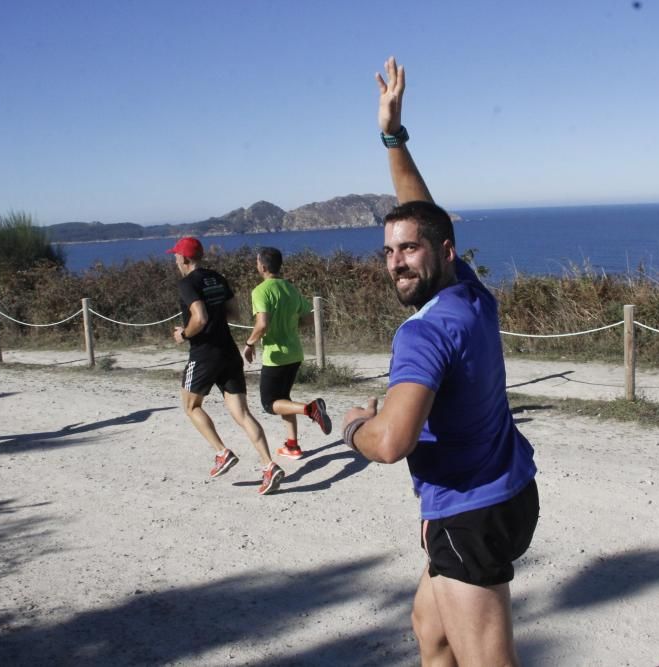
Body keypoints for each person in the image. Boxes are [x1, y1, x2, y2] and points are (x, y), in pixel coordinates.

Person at [341, 57, 539, 666]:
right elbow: (423, 214)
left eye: (409, 251)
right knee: (431, 630)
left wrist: (353, 427)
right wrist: (393, 136)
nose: (397, 262)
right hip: (507, 489)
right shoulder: (467, 292)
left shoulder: (423, 334)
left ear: (442, 253)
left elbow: (394, 440)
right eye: (388, 252)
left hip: (468, 512)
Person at [167, 236, 284, 495]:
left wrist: (184, 334)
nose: (175, 259)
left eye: (176, 255)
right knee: (242, 414)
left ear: (184, 259)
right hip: (229, 352)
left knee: (190, 406)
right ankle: (269, 465)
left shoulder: (187, 283)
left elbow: (200, 317)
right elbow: (234, 313)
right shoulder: (217, 278)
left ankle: (222, 452)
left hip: (205, 354)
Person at [242, 246, 332, 460]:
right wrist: (290, 326)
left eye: (257, 263)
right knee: (284, 399)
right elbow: (310, 318)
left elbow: (262, 324)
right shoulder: (291, 289)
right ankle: (292, 446)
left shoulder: (261, 291)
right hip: (295, 353)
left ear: (262, 266)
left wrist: (249, 343)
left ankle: (311, 409)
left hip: (276, 357)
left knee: (269, 404)